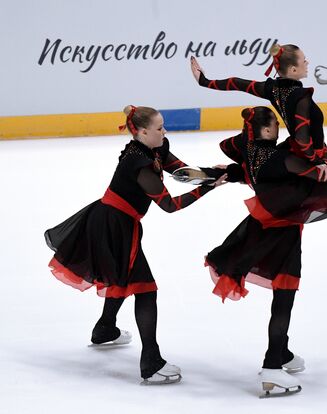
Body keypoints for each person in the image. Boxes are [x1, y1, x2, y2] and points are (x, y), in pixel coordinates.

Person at [45, 105, 226, 385]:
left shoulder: (155, 148)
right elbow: (170, 205)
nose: (164, 131)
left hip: (119, 222)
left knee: (121, 278)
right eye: (159, 128)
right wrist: (207, 188)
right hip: (112, 226)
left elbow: (180, 170)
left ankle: (105, 329)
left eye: (163, 126)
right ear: (141, 132)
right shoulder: (138, 164)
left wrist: (211, 174)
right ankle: (151, 363)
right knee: (145, 289)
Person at [205, 106, 327, 397]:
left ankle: (281, 352)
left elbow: (239, 164)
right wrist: (321, 169)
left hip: (260, 229)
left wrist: (222, 172)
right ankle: (272, 368)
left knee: (282, 297)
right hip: (281, 234)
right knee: (284, 297)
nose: (279, 130)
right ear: (268, 130)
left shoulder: (250, 155)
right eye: (275, 125)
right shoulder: (278, 157)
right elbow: (308, 176)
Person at [190, 43, 327, 221]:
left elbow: (238, 83)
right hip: (308, 153)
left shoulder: (273, 89)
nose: (307, 62)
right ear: (292, 69)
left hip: (294, 149)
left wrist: (204, 82)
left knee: (273, 175)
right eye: (303, 60)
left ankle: (219, 173)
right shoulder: (300, 97)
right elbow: (303, 137)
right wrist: (317, 160)